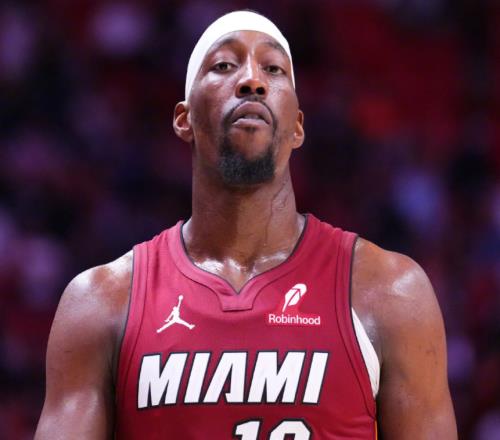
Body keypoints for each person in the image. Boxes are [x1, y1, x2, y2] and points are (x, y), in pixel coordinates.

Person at [35, 10, 457, 439]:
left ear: (297, 126)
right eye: (224, 65)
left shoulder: (389, 293)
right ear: (183, 119)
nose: (252, 80)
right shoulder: (101, 304)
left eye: (273, 69)